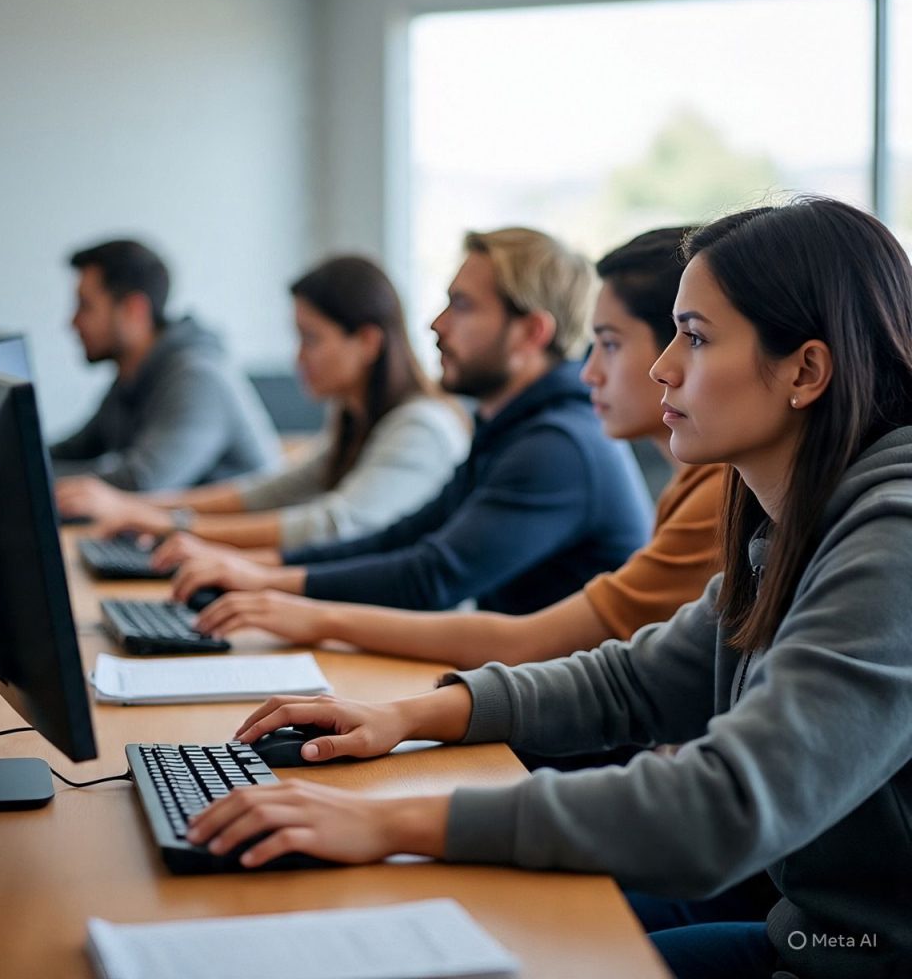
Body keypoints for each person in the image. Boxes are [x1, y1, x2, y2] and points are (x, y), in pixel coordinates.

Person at [185, 198, 912, 979]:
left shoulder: (892, 542)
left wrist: (390, 821)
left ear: (805, 370)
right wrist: (405, 716)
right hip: (805, 939)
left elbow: (723, 807)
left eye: (694, 338)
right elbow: (636, 677)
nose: (663, 365)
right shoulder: (785, 519)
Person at [189, 227, 726, 667]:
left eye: (462, 306)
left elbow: (435, 577)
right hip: (535, 706)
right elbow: (408, 536)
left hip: (555, 736)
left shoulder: (558, 445)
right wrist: (269, 577)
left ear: (529, 333)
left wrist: (287, 593)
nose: (435, 324)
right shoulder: (511, 428)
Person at [55, 256, 469, 550]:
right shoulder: (353, 416)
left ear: (367, 342)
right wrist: (143, 511)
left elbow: (334, 525)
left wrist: (169, 522)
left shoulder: (419, 428)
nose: (297, 358)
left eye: (311, 339)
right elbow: (269, 492)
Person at [50, 238, 280, 491]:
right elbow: (76, 450)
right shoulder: (133, 375)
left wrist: (29, 481)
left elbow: (142, 483)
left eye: (86, 307)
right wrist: (15, 462)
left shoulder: (196, 377)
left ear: (133, 309)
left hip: (226, 528)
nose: (72, 322)